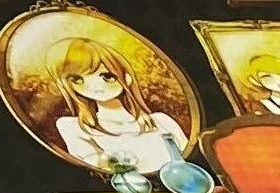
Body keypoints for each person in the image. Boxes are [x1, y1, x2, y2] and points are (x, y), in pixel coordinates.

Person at [50, 39, 191, 177]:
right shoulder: (74, 127)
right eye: (78, 80)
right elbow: (91, 164)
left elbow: (191, 163)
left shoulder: (161, 122)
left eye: (106, 76)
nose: (94, 86)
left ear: (127, 78)